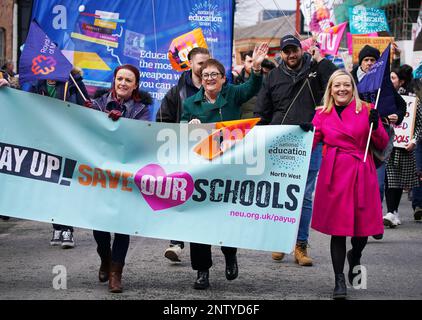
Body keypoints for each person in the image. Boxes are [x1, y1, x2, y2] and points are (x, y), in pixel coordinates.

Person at [181, 43, 268, 289]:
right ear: (201, 79)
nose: (209, 78)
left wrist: (258, 67)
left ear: (223, 79)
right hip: (201, 168)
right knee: (199, 221)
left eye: (214, 75)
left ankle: (230, 255)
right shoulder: (190, 104)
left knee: (227, 216)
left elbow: (252, 86)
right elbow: (179, 128)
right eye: (205, 75)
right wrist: (189, 124)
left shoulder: (232, 94)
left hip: (229, 166)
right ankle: (202, 271)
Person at [254, 34, 337, 266]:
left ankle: (300, 244)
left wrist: (321, 61)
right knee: (280, 193)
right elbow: (262, 110)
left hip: (311, 140)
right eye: (286, 51)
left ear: (301, 50)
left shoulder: (316, 70)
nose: (291, 55)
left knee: (304, 195)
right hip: (280, 142)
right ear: (281, 54)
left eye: (295, 50)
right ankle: (280, 241)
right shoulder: (273, 77)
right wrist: (260, 138)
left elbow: (336, 82)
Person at [311, 70, 389, 299]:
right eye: (337, 86)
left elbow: (382, 143)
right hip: (334, 176)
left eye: (346, 85)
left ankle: (355, 255)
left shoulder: (366, 110)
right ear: (330, 89)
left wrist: (376, 126)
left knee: (362, 230)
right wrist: (303, 132)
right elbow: (309, 142)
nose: (342, 89)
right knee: (338, 230)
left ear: (352, 87)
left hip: (361, 172)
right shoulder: (322, 114)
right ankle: (339, 281)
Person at [86, 64, 151, 293]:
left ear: (135, 85)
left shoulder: (142, 109)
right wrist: (90, 116)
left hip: (126, 173)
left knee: (122, 224)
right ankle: (105, 257)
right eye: (120, 78)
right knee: (100, 226)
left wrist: (121, 124)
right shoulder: (98, 103)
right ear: (114, 80)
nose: (123, 83)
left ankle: (116, 273)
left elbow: (140, 137)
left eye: (128, 80)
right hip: (100, 172)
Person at [156, 47, 210, 262]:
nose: (205, 67)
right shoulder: (176, 91)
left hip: (211, 154)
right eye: (200, 63)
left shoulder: (219, 87)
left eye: (208, 62)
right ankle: (176, 242)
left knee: (202, 198)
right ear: (190, 64)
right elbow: (162, 119)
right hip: (182, 153)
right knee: (179, 195)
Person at [30, 67, 89, 249]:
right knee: (51, 186)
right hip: (46, 143)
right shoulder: (36, 85)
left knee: (65, 184)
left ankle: (67, 229)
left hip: (69, 143)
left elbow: (86, 106)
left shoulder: (73, 83)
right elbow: (24, 104)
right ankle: (56, 226)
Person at [352, 45, 406, 239]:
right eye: (366, 60)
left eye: (373, 60)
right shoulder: (350, 79)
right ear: (360, 61)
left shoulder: (384, 82)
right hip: (356, 140)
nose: (369, 63)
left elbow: (401, 105)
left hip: (379, 138)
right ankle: (358, 221)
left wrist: (396, 116)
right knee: (357, 184)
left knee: (378, 184)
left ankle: (374, 222)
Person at [383, 65, 422, 227]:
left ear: (401, 81)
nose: (390, 81)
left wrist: (414, 140)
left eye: (393, 78)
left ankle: (394, 211)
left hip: (404, 148)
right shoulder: (382, 98)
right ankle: (391, 211)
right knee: (389, 179)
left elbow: (419, 124)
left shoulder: (413, 101)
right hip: (386, 147)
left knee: (397, 181)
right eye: (389, 77)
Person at [232, 50, 257, 119]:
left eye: (254, 62)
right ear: (243, 62)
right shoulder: (235, 80)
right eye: (250, 61)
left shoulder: (262, 79)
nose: (252, 65)